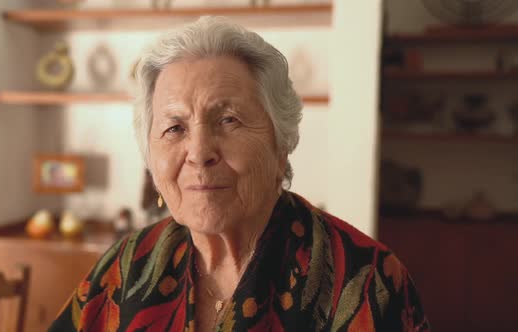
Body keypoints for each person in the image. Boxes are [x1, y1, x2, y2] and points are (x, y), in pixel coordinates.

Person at [49, 16, 429, 331]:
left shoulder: (368, 281)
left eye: (228, 120)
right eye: (174, 128)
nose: (198, 153)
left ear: (281, 144)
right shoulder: (127, 267)